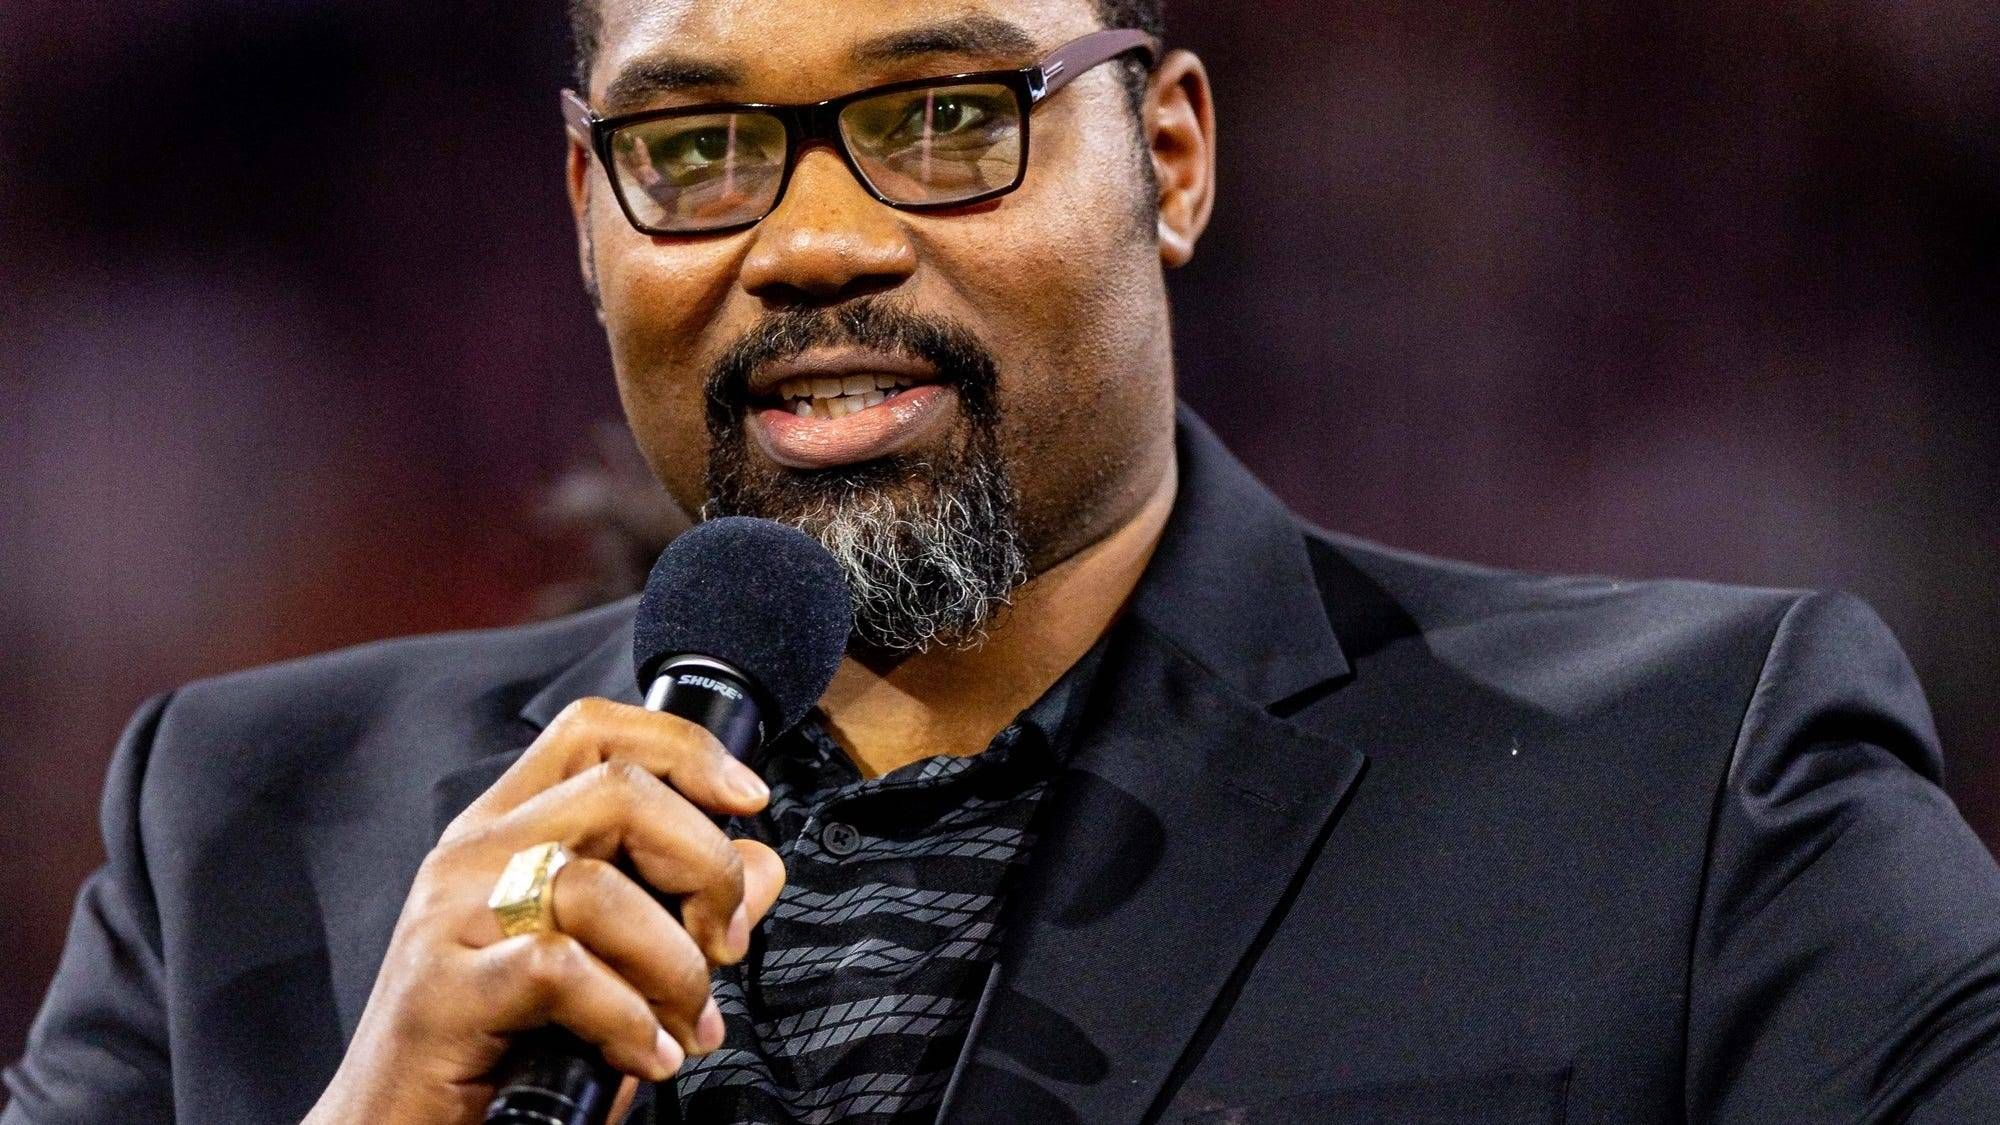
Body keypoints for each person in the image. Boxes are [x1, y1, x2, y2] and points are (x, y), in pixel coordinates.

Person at [8, 0, 2000, 1122]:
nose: (809, 242)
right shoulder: (240, 830)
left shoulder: (1692, 785)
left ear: (1172, 162)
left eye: (950, 115)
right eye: (692, 148)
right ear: (586, 212)